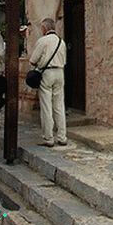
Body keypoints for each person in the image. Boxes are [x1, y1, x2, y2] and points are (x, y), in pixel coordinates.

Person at [29, 18, 67, 147]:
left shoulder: (43, 41)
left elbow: (33, 60)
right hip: (60, 72)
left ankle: (48, 138)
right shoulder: (61, 42)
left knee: (46, 106)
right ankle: (62, 136)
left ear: (44, 28)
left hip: (47, 73)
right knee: (59, 105)